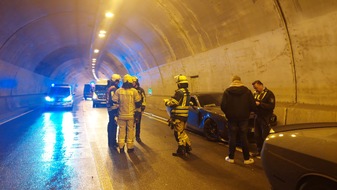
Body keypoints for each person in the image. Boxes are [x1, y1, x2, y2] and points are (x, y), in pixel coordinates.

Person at [221, 75, 256, 164]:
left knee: (232, 137)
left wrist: (228, 113)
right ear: (240, 81)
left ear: (232, 81)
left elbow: (223, 106)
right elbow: (253, 105)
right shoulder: (247, 91)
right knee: (244, 137)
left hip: (232, 118)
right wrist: (247, 112)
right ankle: (247, 159)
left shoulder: (227, 92)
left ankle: (231, 157)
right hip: (244, 118)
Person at [112, 74, 142, 153]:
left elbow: (114, 101)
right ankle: (130, 147)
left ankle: (121, 147)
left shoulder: (119, 91)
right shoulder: (134, 91)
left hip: (121, 115)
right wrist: (137, 114)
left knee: (121, 131)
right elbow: (138, 103)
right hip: (131, 115)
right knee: (130, 131)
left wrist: (116, 113)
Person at [164, 75, 192, 157]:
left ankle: (181, 150)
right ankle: (188, 146)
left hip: (178, 116)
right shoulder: (187, 92)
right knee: (182, 131)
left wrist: (167, 102)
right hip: (184, 116)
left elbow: (174, 103)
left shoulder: (179, 92)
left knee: (178, 133)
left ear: (179, 84)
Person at [251, 80, 275, 157]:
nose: (256, 90)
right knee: (257, 135)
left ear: (261, 85)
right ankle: (259, 150)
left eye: (257, 88)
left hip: (265, 117)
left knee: (265, 135)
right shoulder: (255, 94)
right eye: (255, 88)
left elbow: (271, 106)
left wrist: (260, 104)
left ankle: (266, 152)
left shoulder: (269, 94)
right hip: (257, 116)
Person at [106, 74, 121, 148]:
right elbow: (113, 99)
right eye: (118, 81)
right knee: (113, 125)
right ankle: (112, 142)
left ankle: (111, 142)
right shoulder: (113, 89)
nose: (118, 83)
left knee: (111, 124)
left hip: (110, 109)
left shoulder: (110, 88)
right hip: (113, 109)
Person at [132, 76, 146, 142]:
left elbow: (144, 98)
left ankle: (137, 136)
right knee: (130, 124)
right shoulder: (130, 90)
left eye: (134, 82)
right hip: (131, 109)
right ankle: (129, 136)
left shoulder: (140, 90)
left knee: (138, 123)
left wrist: (143, 106)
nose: (132, 83)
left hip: (138, 109)